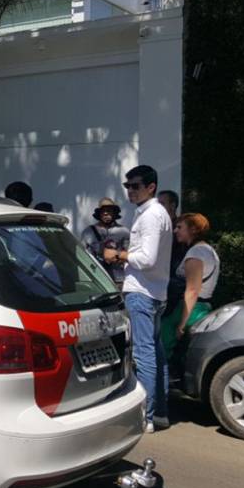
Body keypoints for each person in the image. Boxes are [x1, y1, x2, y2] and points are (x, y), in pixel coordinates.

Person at [103, 165, 172, 433]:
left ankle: (147, 417)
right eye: (127, 186)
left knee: (144, 355)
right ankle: (160, 414)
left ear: (150, 187)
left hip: (143, 292)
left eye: (135, 186)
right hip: (153, 292)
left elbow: (147, 259)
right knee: (155, 352)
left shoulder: (152, 215)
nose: (130, 191)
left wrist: (118, 256)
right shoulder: (155, 213)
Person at [161, 213, 220, 359]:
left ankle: (160, 380)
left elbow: (192, 290)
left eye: (180, 227)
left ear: (193, 229)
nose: (175, 231)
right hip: (202, 308)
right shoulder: (208, 250)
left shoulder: (196, 252)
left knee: (162, 348)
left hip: (189, 309)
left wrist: (182, 324)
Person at [80, 198, 130, 287]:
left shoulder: (124, 232)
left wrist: (116, 257)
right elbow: (82, 255)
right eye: (103, 211)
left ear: (115, 213)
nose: (106, 213)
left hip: (118, 280)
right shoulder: (88, 232)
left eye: (109, 210)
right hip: (96, 279)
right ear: (99, 214)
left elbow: (129, 255)